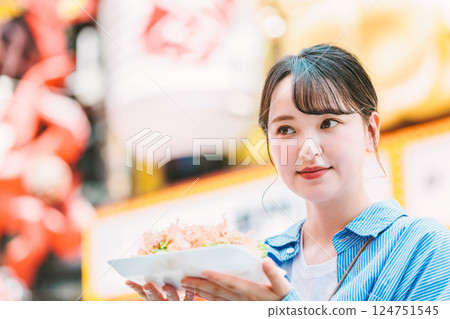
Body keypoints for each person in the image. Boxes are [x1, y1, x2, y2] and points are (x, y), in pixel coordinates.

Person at [126, 44, 450, 301]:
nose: (307, 148)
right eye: (285, 130)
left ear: (371, 131)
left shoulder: (424, 248)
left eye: (328, 123)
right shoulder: (249, 261)